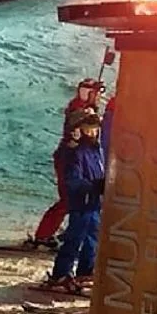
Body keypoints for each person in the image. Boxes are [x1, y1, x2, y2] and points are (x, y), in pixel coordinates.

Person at [30, 79, 103, 248]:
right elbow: (79, 125)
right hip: (69, 158)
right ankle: (43, 235)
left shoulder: (84, 108)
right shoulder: (78, 109)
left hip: (79, 157)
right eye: (96, 93)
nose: (99, 96)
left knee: (76, 199)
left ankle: (64, 232)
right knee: (68, 199)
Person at [45, 108, 105, 294]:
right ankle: (61, 274)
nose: (93, 132)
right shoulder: (74, 152)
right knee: (74, 238)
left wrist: (104, 184)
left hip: (94, 202)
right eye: (88, 128)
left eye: (95, 128)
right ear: (78, 129)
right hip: (81, 202)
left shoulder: (96, 149)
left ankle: (86, 270)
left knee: (92, 237)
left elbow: (100, 171)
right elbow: (72, 180)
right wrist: (93, 186)